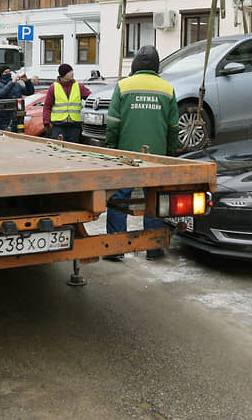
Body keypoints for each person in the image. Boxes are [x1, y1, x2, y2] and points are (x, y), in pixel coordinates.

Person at [102, 46, 179, 261]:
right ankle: (153, 249)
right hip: (156, 157)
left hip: (125, 156)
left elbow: (113, 124)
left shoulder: (123, 86)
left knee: (119, 199)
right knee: (155, 201)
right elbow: (174, 127)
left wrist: (111, 149)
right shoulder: (167, 89)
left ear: (134, 65)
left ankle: (116, 249)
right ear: (157, 66)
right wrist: (170, 152)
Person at [42, 63, 91, 142]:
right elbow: (47, 106)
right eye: (69, 71)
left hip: (75, 125)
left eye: (72, 71)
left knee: (73, 150)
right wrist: (46, 123)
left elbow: (91, 97)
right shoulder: (53, 87)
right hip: (59, 125)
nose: (72, 73)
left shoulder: (79, 86)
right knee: (57, 150)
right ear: (63, 74)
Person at [0, 66, 35, 132]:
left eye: (9, 72)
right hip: (5, 119)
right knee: (7, 137)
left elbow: (30, 92)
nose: (8, 74)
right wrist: (12, 83)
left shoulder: (17, 85)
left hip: (17, 117)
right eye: (6, 72)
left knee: (19, 135)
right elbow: (0, 94)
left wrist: (27, 82)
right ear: (1, 74)